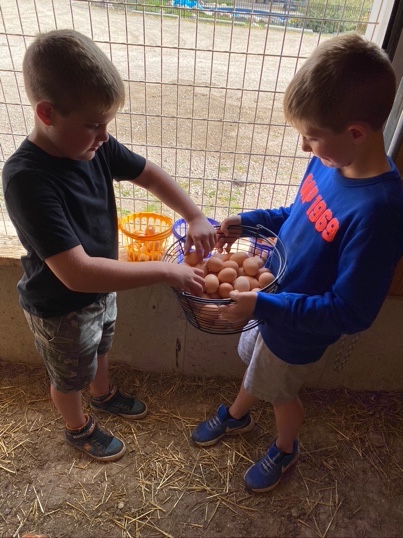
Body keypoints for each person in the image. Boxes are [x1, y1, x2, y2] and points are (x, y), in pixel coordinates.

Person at [191, 33, 403, 492]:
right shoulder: (332, 162)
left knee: (280, 391)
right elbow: (298, 214)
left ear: (355, 132)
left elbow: (352, 311)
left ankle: (285, 448)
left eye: (311, 137)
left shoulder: (379, 211)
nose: (305, 148)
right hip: (270, 305)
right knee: (255, 369)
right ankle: (238, 416)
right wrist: (248, 222)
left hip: (296, 327)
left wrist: (263, 306)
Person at [2, 29, 216, 463]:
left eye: (107, 124)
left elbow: (148, 173)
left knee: (101, 345)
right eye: (94, 125)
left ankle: (103, 394)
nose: (104, 135)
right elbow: (76, 271)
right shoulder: (27, 179)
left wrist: (193, 214)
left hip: (100, 289)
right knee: (68, 373)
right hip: (60, 305)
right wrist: (165, 270)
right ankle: (78, 426)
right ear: (47, 113)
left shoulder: (92, 145)